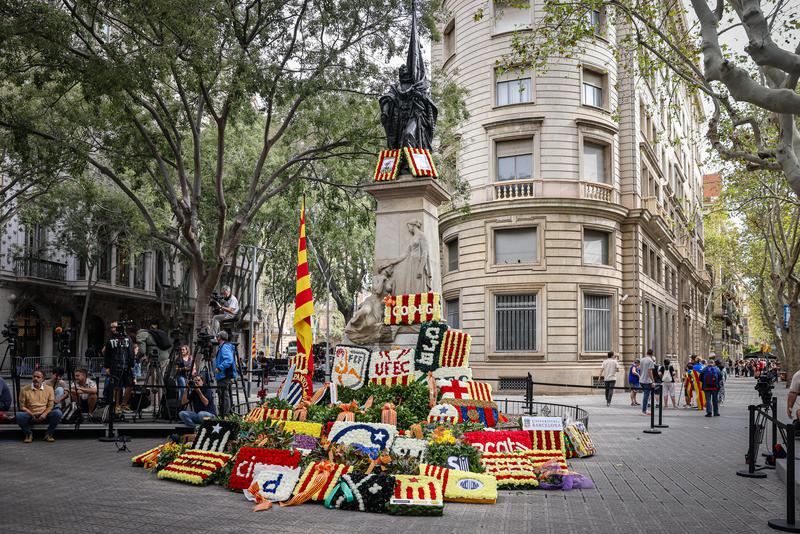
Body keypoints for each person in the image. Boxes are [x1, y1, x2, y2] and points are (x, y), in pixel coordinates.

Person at [16, 369, 62, 442]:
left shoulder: (49, 389)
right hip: (30, 414)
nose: (35, 379)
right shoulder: (24, 389)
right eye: (34, 376)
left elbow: (50, 405)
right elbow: (22, 407)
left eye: (38, 377)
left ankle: (49, 434)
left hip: (44, 414)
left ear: (43, 379)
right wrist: (32, 414)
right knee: (19, 415)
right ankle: (28, 434)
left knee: (58, 413)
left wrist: (44, 414)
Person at [102, 321, 135, 414]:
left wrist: (132, 365)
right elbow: (106, 354)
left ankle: (123, 404)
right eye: (112, 327)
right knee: (117, 386)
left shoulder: (127, 338)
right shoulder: (110, 340)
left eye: (116, 327)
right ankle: (116, 406)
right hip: (114, 366)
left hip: (126, 366)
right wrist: (107, 367)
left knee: (130, 385)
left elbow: (131, 353)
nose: (114, 329)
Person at [214, 331, 237, 415]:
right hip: (223, 375)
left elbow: (229, 360)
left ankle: (225, 414)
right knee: (223, 395)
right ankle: (225, 413)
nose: (216, 338)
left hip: (223, 375)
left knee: (224, 395)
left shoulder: (224, 347)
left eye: (217, 336)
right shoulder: (224, 347)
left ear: (220, 338)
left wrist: (220, 368)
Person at [639, 349, 656, 415]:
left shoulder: (642, 359)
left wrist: (640, 377)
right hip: (647, 381)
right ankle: (644, 411)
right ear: (652, 354)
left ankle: (645, 410)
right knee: (646, 396)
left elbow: (640, 370)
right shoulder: (650, 361)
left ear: (646, 353)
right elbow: (650, 371)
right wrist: (652, 380)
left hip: (641, 380)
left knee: (645, 395)